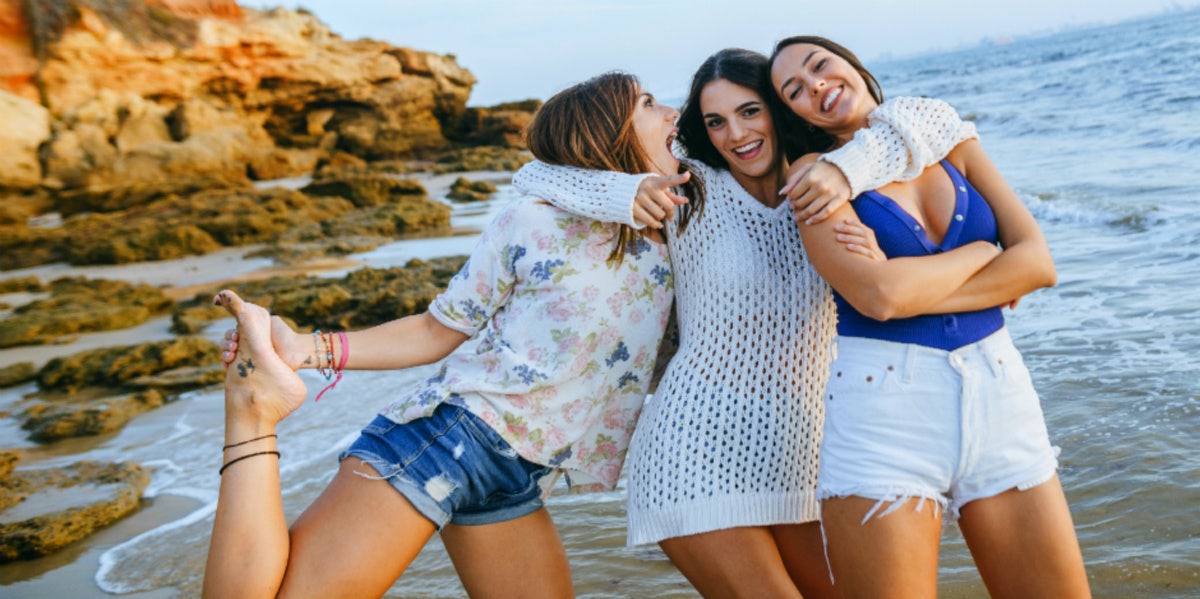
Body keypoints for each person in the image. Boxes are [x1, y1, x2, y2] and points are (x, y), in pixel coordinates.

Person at [202, 71, 688, 599]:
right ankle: (249, 410)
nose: (671, 113)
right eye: (648, 103)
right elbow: (437, 330)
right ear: (605, 136)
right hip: (447, 438)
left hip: (517, 477)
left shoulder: (679, 241)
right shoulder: (535, 219)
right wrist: (303, 350)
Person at [511, 48, 975, 598]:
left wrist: (845, 169)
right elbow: (535, 174)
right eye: (715, 122)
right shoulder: (688, 187)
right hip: (694, 456)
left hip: (810, 455)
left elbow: (936, 121)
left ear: (780, 109)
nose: (736, 134)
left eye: (751, 111)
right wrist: (626, 190)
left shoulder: (833, 182)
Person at [767, 36, 1091, 598]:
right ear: (794, 113)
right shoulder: (814, 175)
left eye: (820, 66)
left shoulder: (949, 142)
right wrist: (985, 258)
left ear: (854, 67)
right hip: (885, 413)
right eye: (794, 90)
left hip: (1001, 393)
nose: (814, 85)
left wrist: (913, 290)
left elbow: (1038, 263)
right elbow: (878, 300)